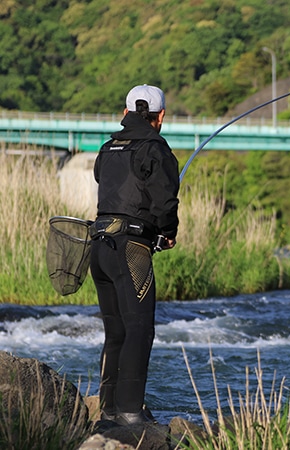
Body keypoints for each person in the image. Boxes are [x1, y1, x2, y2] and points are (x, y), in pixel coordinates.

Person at [89, 84, 179, 425]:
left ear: (125, 113)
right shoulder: (156, 148)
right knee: (139, 328)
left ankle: (108, 411)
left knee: (116, 331)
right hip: (131, 249)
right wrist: (167, 233)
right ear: (161, 117)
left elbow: (106, 182)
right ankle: (130, 413)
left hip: (99, 246)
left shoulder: (108, 147)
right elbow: (165, 202)